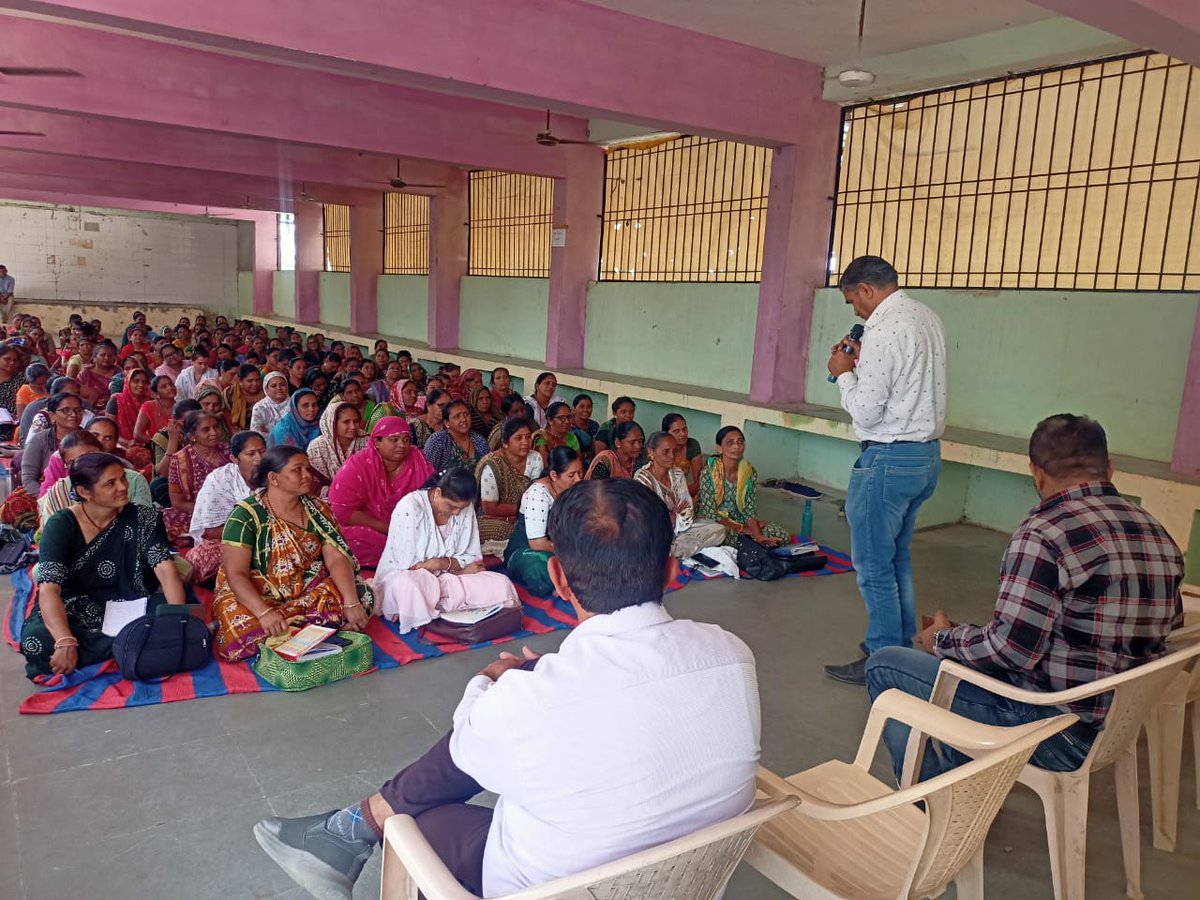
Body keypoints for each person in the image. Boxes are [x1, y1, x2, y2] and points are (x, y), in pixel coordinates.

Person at [256, 477, 761, 899]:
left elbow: (467, 745)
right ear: (672, 572)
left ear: (558, 578)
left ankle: (351, 829)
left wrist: (489, 681)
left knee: (422, 825)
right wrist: (543, 682)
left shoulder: (528, 701)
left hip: (554, 888)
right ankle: (346, 829)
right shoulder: (734, 654)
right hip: (687, 877)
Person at [866, 414, 1184, 782]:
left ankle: (928, 800)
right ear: (1109, 468)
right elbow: (1169, 626)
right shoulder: (1156, 531)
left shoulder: (1045, 534)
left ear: (1036, 473)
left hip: (1053, 730)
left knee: (884, 666)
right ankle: (960, 790)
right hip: (1118, 724)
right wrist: (963, 639)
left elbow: (1013, 652)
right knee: (968, 660)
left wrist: (940, 639)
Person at [824, 256, 947, 686]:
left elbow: (866, 412)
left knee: (874, 565)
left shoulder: (883, 329)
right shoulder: (927, 318)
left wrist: (843, 374)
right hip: (925, 457)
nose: (856, 311)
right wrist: (863, 364)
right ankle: (900, 646)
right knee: (897, 557)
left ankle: (884, 658)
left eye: (852, 301)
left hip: (889, 460)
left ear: (866, 290)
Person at [20, 452, 186, 679]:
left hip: (132, 603)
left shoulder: (144, 517)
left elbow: (165, 569)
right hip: (75, 607)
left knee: (170, 612)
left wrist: (177, 620)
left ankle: (124, 646)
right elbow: (49, 589)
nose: (123, 487)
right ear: (84, 492)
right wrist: (64, 640)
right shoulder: (61, 525)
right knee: (36, 641)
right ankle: (131, 647)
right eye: (110, 483)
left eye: (123, 478)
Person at [213, 446, 373, 662]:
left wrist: (351, 602)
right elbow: (236, 574)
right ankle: (319, 629)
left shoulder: (317, 509)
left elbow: (335, 558)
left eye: (307, 468)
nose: (307, 475)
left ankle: (296, 633)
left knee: (361, 595)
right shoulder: (245, 515)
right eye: (297, 470)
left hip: (307, 588)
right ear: (273, 478)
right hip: (259, 592)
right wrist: (264, 613)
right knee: (240, 627)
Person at [371, 468, 518, 633]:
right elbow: (409, 567)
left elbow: (472, 559)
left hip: (447, 581)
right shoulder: (410, 507)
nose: (457, 512)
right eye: (452, 506)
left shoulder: (464, 508)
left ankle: (427, 609)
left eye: (462, 508)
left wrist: (439, 563)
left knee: (501, 584)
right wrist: (459, 572)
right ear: (438, 493)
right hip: (414, 581)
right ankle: (427, 607)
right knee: (407, 585)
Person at [328, 417, 435, 569]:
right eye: (394, 440)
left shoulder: (417, 459)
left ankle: (408, 559)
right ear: (377, 442)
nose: (402, 445)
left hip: (412, 529)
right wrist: (391, 528)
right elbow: (342, 511)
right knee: (347, 540)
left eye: (406, 439)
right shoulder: (358, 465)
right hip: (375, 529)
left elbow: (433, 498)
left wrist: (409, 529)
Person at [36, 430, 153, 534]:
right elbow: (54, 536)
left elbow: (143, 527)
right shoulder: (59, 491)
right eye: (73, 463)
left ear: (103, 452)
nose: (84, 465)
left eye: (89, 456)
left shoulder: (134, 480)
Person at [503, 446, 584, 596]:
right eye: (571, 475)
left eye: (580, 473)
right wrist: (573, 557)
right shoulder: (538, 494)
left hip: (563, 550)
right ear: (554, 475)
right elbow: (538, 544)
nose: (578, 479)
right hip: (528, 552)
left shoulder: (574, 490)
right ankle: (567, 581)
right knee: (541, 567)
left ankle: (569, 581)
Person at [187, 430, 266, 584]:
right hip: (233, 540)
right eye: (251, 454)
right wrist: (250, 535)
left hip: (273, 538)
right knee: (200, 557)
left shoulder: (275, 473)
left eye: (263, 451)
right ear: (234, 459)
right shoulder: (219, 479)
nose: (259, 458)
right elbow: (210, 531)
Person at [635, 432, 728, 559]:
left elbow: (687, 510)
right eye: (666, 451)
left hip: (681, 528)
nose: (672, 456)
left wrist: (673, 516)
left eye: (674, 451)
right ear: (651, 452)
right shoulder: (643, 478)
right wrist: (671, 515)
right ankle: (673, 551)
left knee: (719, 530)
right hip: (655, 534)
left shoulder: (677, 473)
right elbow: (648, 519)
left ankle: (673, 552)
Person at [695, 425, 789, 547]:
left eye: (740, 442)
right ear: (719, 448)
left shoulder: (749, 472)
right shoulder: (708, 472)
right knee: (726, 535)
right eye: (730, 443)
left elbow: (749, 510)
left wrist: (757, 535)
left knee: (782, 535)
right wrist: (741, 529)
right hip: (713, 521)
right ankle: (750, 544)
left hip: (738, 519)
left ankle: (752, 543)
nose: (736, 446)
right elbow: (709, 512)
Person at [163, 411, 232, 551]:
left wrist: (223, 513)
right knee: (167, 520)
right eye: (206, 430)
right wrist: (208, 513)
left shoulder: (229, 452)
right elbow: (177, 502)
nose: (214, 433)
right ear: (191, 436)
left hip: (230, 510)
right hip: (196, 512)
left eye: (216, 427)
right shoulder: (179, 459)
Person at [475, 418, 542, 542]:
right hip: (492, 518)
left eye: (528, 437)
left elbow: (536, 494)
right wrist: (525, 510)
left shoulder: (535, 458)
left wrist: (527, 512)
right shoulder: (492, 465)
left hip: (526, 514)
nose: (525, 442)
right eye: (518, 438)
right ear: (505, 443)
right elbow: (490, 508)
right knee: (510, 533)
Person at [21, 392, 85, 495]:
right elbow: (29, 478)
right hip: (43, 494)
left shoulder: (89, 440)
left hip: (84, 495)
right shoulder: (39, 440)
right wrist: (47, 500)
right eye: (66, 410)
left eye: (78, 410)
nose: (73, 415)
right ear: (52, 415)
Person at [307, 401, 368, 495]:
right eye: (346, 422)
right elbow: (314, 484)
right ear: (332, 423)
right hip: (327, 498)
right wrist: (340, 492)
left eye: (355, 421)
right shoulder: (317, 447)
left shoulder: (367, 442)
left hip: (363, 494)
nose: (353, 426)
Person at [423, 399, 489, 473]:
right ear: (446, 423)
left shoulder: (479, 440)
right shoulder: (437, 441)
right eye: (457, 416)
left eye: (466, 414)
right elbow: (427, 471)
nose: (464, 419)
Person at [107, 365, 151, 446]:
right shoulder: (117, 400)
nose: (141, 385)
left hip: (149, 443)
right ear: (128, 382)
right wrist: (127, 443)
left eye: (145, 382)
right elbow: (108, 430)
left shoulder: (151, 402)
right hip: (121, 444)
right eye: (136, 381)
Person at [662, 413, 704, 497]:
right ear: (666, 433)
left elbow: (699, 482)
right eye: (676, 431)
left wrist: (681, 495)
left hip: (682, 492)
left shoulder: (692, 445)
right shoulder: (660, 448)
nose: (683, 434)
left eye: (684, 429)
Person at [530, 401, 580, 467]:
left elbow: (579, 461)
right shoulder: (542, 438)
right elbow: (546, 467)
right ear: (550, 420)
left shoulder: (571, 437)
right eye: (561, 418)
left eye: (569, 417)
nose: (567, 421)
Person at [134, 374, 177, 445]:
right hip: (155, 446)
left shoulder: (182, 407)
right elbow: (137, 434)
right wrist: (158, 444)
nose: (170, 387)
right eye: (164, 386)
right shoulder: (148, 406)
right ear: (156, 393)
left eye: (171, 384)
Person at [77, 341, 119, 412]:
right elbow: (76, 393)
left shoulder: (118, 372)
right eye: (102, 355)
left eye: (110, 355)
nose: (106, 358)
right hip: (88, 410)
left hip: (113, 410)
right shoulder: (85, 373)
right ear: (94, 358)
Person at [251, 371, 291, 437]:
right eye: (273, 386)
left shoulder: (295, 404)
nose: (278, 388)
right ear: (266, 390)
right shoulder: (260, 407)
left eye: (282, 385)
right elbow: (256, 433)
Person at [0, 341, 27, 440]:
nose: (12, 363)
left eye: (15, 360)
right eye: (7, 359)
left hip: (11, 428)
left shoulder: (22, 380)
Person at [225, 363, 264, 431]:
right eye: (250, 381)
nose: (255, 384)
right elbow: (226, 417)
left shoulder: (266, 392)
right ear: (240, 381)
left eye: (257, 380)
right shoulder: (229, 393)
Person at [569, 393, 598, 464]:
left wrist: (585, 455)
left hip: (590, 461)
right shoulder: (568, 426)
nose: (586, 410)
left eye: (589, 407)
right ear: (573, 409)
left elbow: (595, 449)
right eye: (581, 406)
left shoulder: (594, 425)